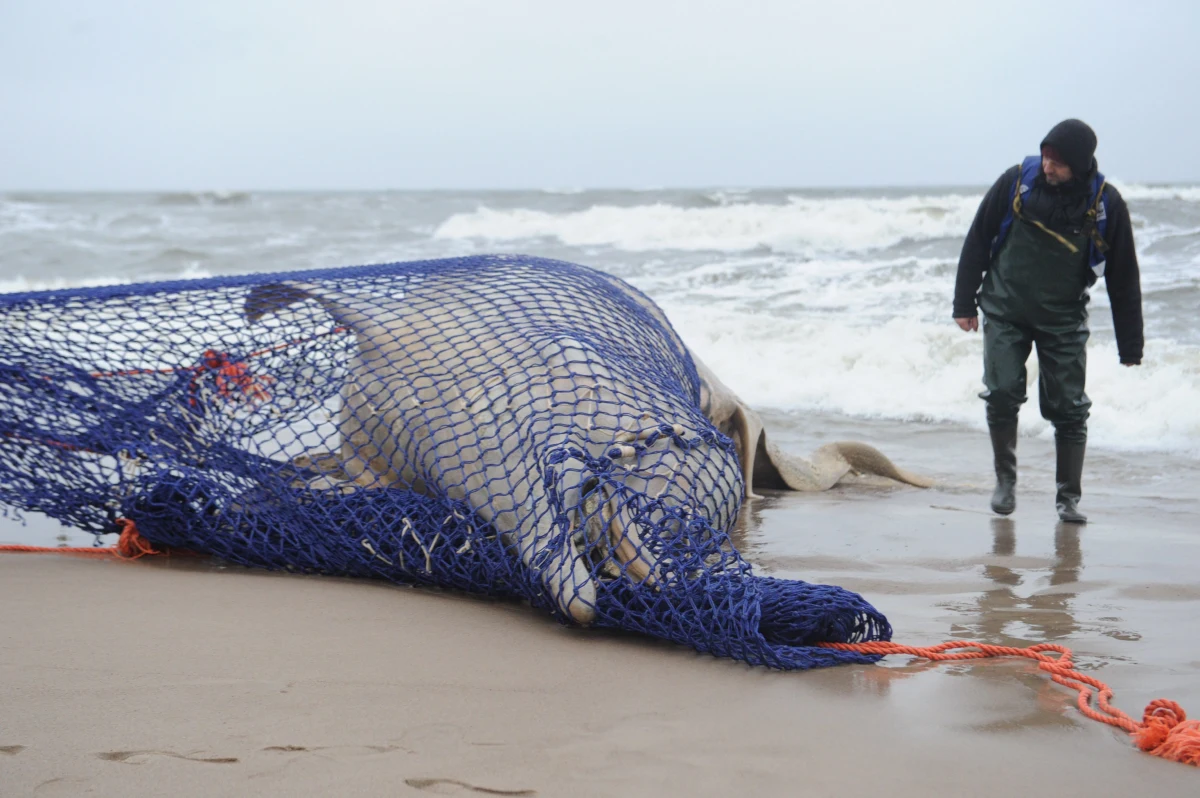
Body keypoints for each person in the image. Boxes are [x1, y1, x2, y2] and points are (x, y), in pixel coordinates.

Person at [952, 119, 1144, 524]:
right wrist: (963, 304)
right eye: (1045, 156)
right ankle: (1005, 482)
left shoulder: (1105, 203)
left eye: (1057, 162)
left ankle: (1068, 498)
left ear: (1078, 164)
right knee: (1002, 391)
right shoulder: (1014, 183)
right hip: (1004, 309)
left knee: (1069, 409)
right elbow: (978, 238)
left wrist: (1131, 345)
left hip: (1063, 318)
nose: (1047, 166)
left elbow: (1123, 277)